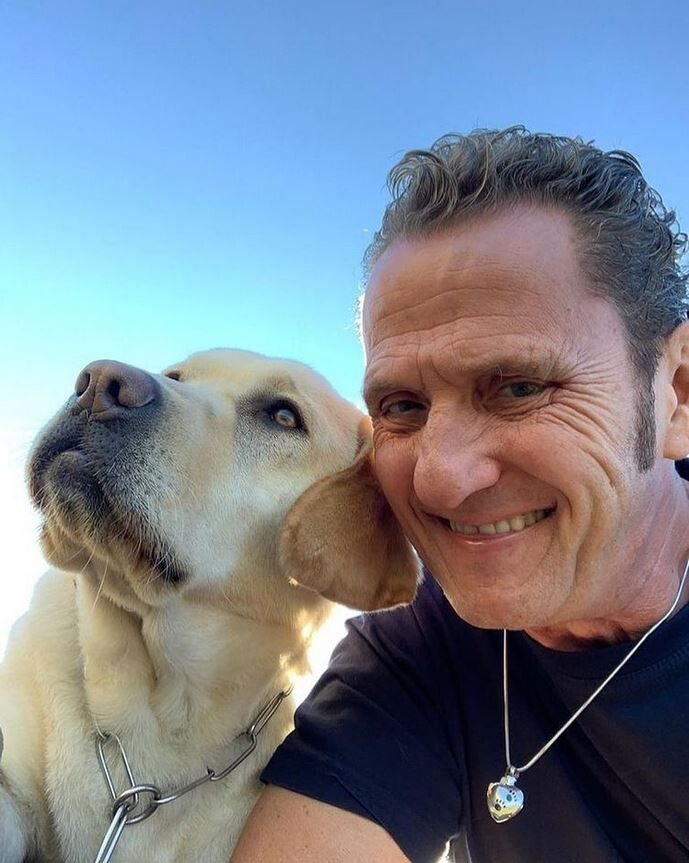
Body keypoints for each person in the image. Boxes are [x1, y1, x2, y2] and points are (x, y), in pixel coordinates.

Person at [230, 127, 689, 863]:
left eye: (518, 387)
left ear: (677, 393)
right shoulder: (420, 646)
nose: (437, 478)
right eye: (402, 406)